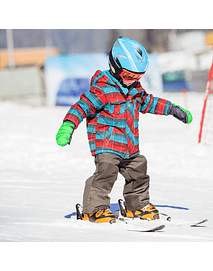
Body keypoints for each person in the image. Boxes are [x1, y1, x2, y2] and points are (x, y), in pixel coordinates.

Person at [56, 37, 193, 223]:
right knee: (106, 172)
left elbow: (150, 102)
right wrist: (68, 125)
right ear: (115, 67)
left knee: (139, 171)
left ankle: (136, 206)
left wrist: (172, 109)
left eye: (138, 77)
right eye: (129, 76)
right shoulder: (102, 91)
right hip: (107, 144)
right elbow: (80, 107)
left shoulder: (135, 90)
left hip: (129, 146)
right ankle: (95, 209)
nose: (133, 81)